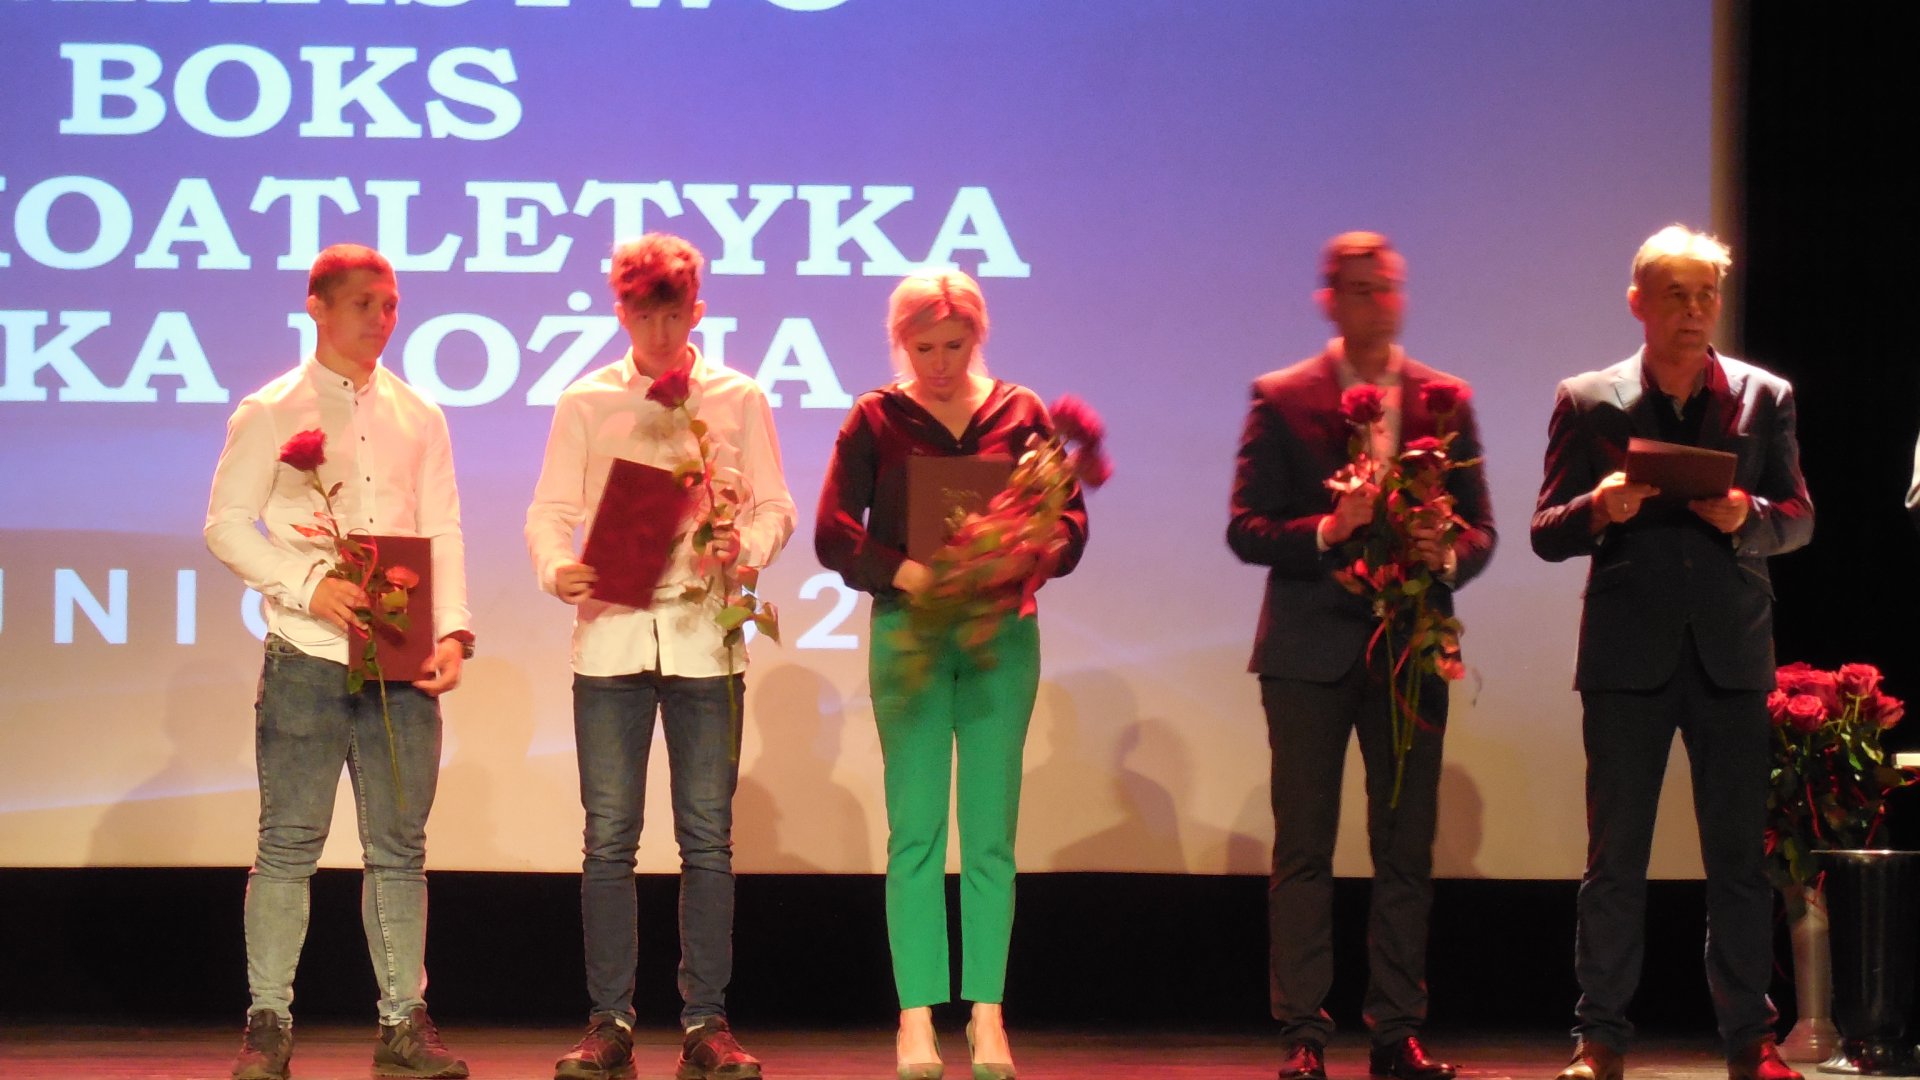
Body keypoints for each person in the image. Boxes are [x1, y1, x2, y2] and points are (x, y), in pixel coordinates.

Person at [1531, 225, 1813, 1080]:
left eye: (1706, 296)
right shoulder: (1589, 399)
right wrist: (1599, 507)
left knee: (1738, 862)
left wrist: (1749, 518)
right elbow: (1546, 530)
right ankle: (1599, 1040)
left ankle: (1749, 1041)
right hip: (1628, 657)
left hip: (1731, 653)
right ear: (1638, 303)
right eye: (1676, 296)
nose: (1693, 312)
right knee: (1614, 862)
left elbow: (1798, 516)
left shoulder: (1764, 396)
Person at [1227, 232, 1495, 1080]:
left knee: (1405, 848)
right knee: (1304, 848)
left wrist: (1446, 552)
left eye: (1388, 286)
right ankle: (1304, 1035)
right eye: (1359, 287)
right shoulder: (1282, 397)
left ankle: (1396, 1032)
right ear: (1329, 299)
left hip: (1410, 647)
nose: (1377, 301)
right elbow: (1246, 528)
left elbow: (1482, 528)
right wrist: (1326, 530)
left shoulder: (1444, 399)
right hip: (1308, 651)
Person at [527, 233, 795, 1080]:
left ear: (697, 310)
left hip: (705, 645)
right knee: (609, 840)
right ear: (621, 312)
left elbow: (777, 506)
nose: (659, 331)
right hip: (610, 638)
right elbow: (548, 512)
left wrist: (746, 548)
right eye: (643, 315)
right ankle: (608, 1022)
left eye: (673, 314)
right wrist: (557, 568)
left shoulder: (738, 397)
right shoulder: (587, 401)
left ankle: (706, 1022)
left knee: (707, 840)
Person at [206, 243, 474, 1080]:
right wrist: (308, 585)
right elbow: (225, 524)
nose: (382, 319)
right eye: (364, 304)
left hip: (400, 659)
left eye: (391, 305)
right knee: (288, 845)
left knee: (399, 849)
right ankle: (268, 1023)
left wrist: (454, 632)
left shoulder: (419, 414)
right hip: (307, 654)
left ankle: (403, 1023)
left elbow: (441, 529)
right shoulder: (270, 409)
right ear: (317, 307)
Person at [816, 269, 1087, 1080]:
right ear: (900, 342)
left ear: (979, 336)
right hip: (912, 635)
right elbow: (833, 531)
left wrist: (1039, 549)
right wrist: (907, 573)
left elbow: (1071, 521)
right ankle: (916, 1017)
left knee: (992, 832)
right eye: (924, 347)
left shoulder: (1020, 412)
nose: (940, 363)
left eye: (955, 345)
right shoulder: (877, 416)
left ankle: (988, 1014)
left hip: (1002, 634)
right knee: (916, 830)